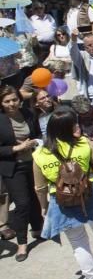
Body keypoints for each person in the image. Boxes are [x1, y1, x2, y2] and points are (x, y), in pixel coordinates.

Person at [31, 106, 93, 279]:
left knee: (77, 240)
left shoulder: (40, 155)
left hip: (62, 200)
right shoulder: (84, 143)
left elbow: (40, 187)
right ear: (68, 128)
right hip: (91, 193)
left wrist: (43, 207)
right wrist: (90, 173)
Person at [0, 85, 43, 261]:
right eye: (7, 101)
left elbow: (38, 133)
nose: (12, 104)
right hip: (12, 167)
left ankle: (38, 228)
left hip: (32, 162)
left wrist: (35, 142)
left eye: (14, 100)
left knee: (35, 197)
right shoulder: (1, 120)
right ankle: (22, 243)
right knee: (22, 203)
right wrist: (17, 148)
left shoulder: (29, 113)